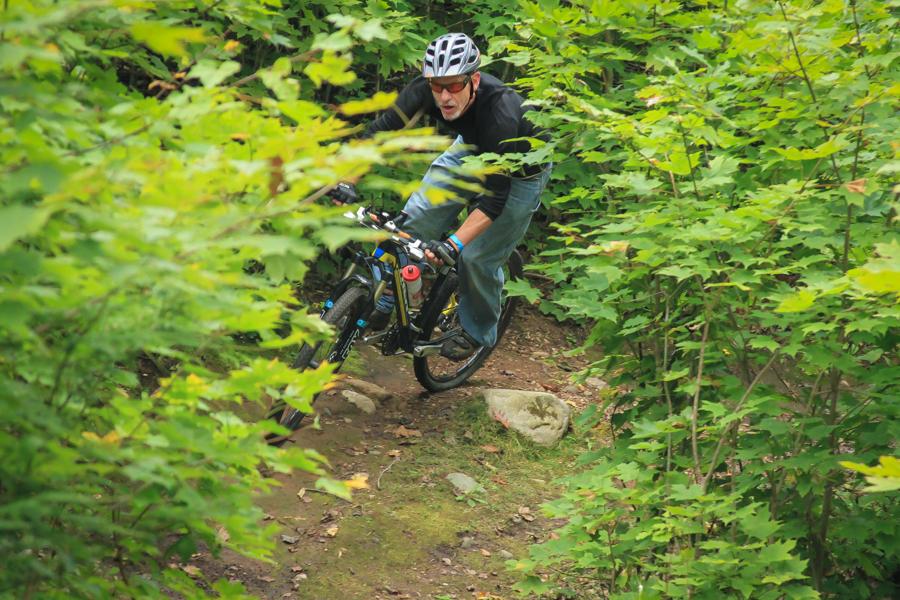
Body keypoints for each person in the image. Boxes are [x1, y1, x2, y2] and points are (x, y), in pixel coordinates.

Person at [332, 32, 551, 361]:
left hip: (520, 171)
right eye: (437, 86)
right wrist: (346, 181)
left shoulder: (501, 112)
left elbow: (494, 200)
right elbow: (382, 131)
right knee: (410, 224)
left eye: (453, 86)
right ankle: (387, 299)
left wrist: (453, 244)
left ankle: (475, 331)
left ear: (473, 79)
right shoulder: (424, 91)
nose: (444, 96)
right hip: (470, 148)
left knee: (476, 258)